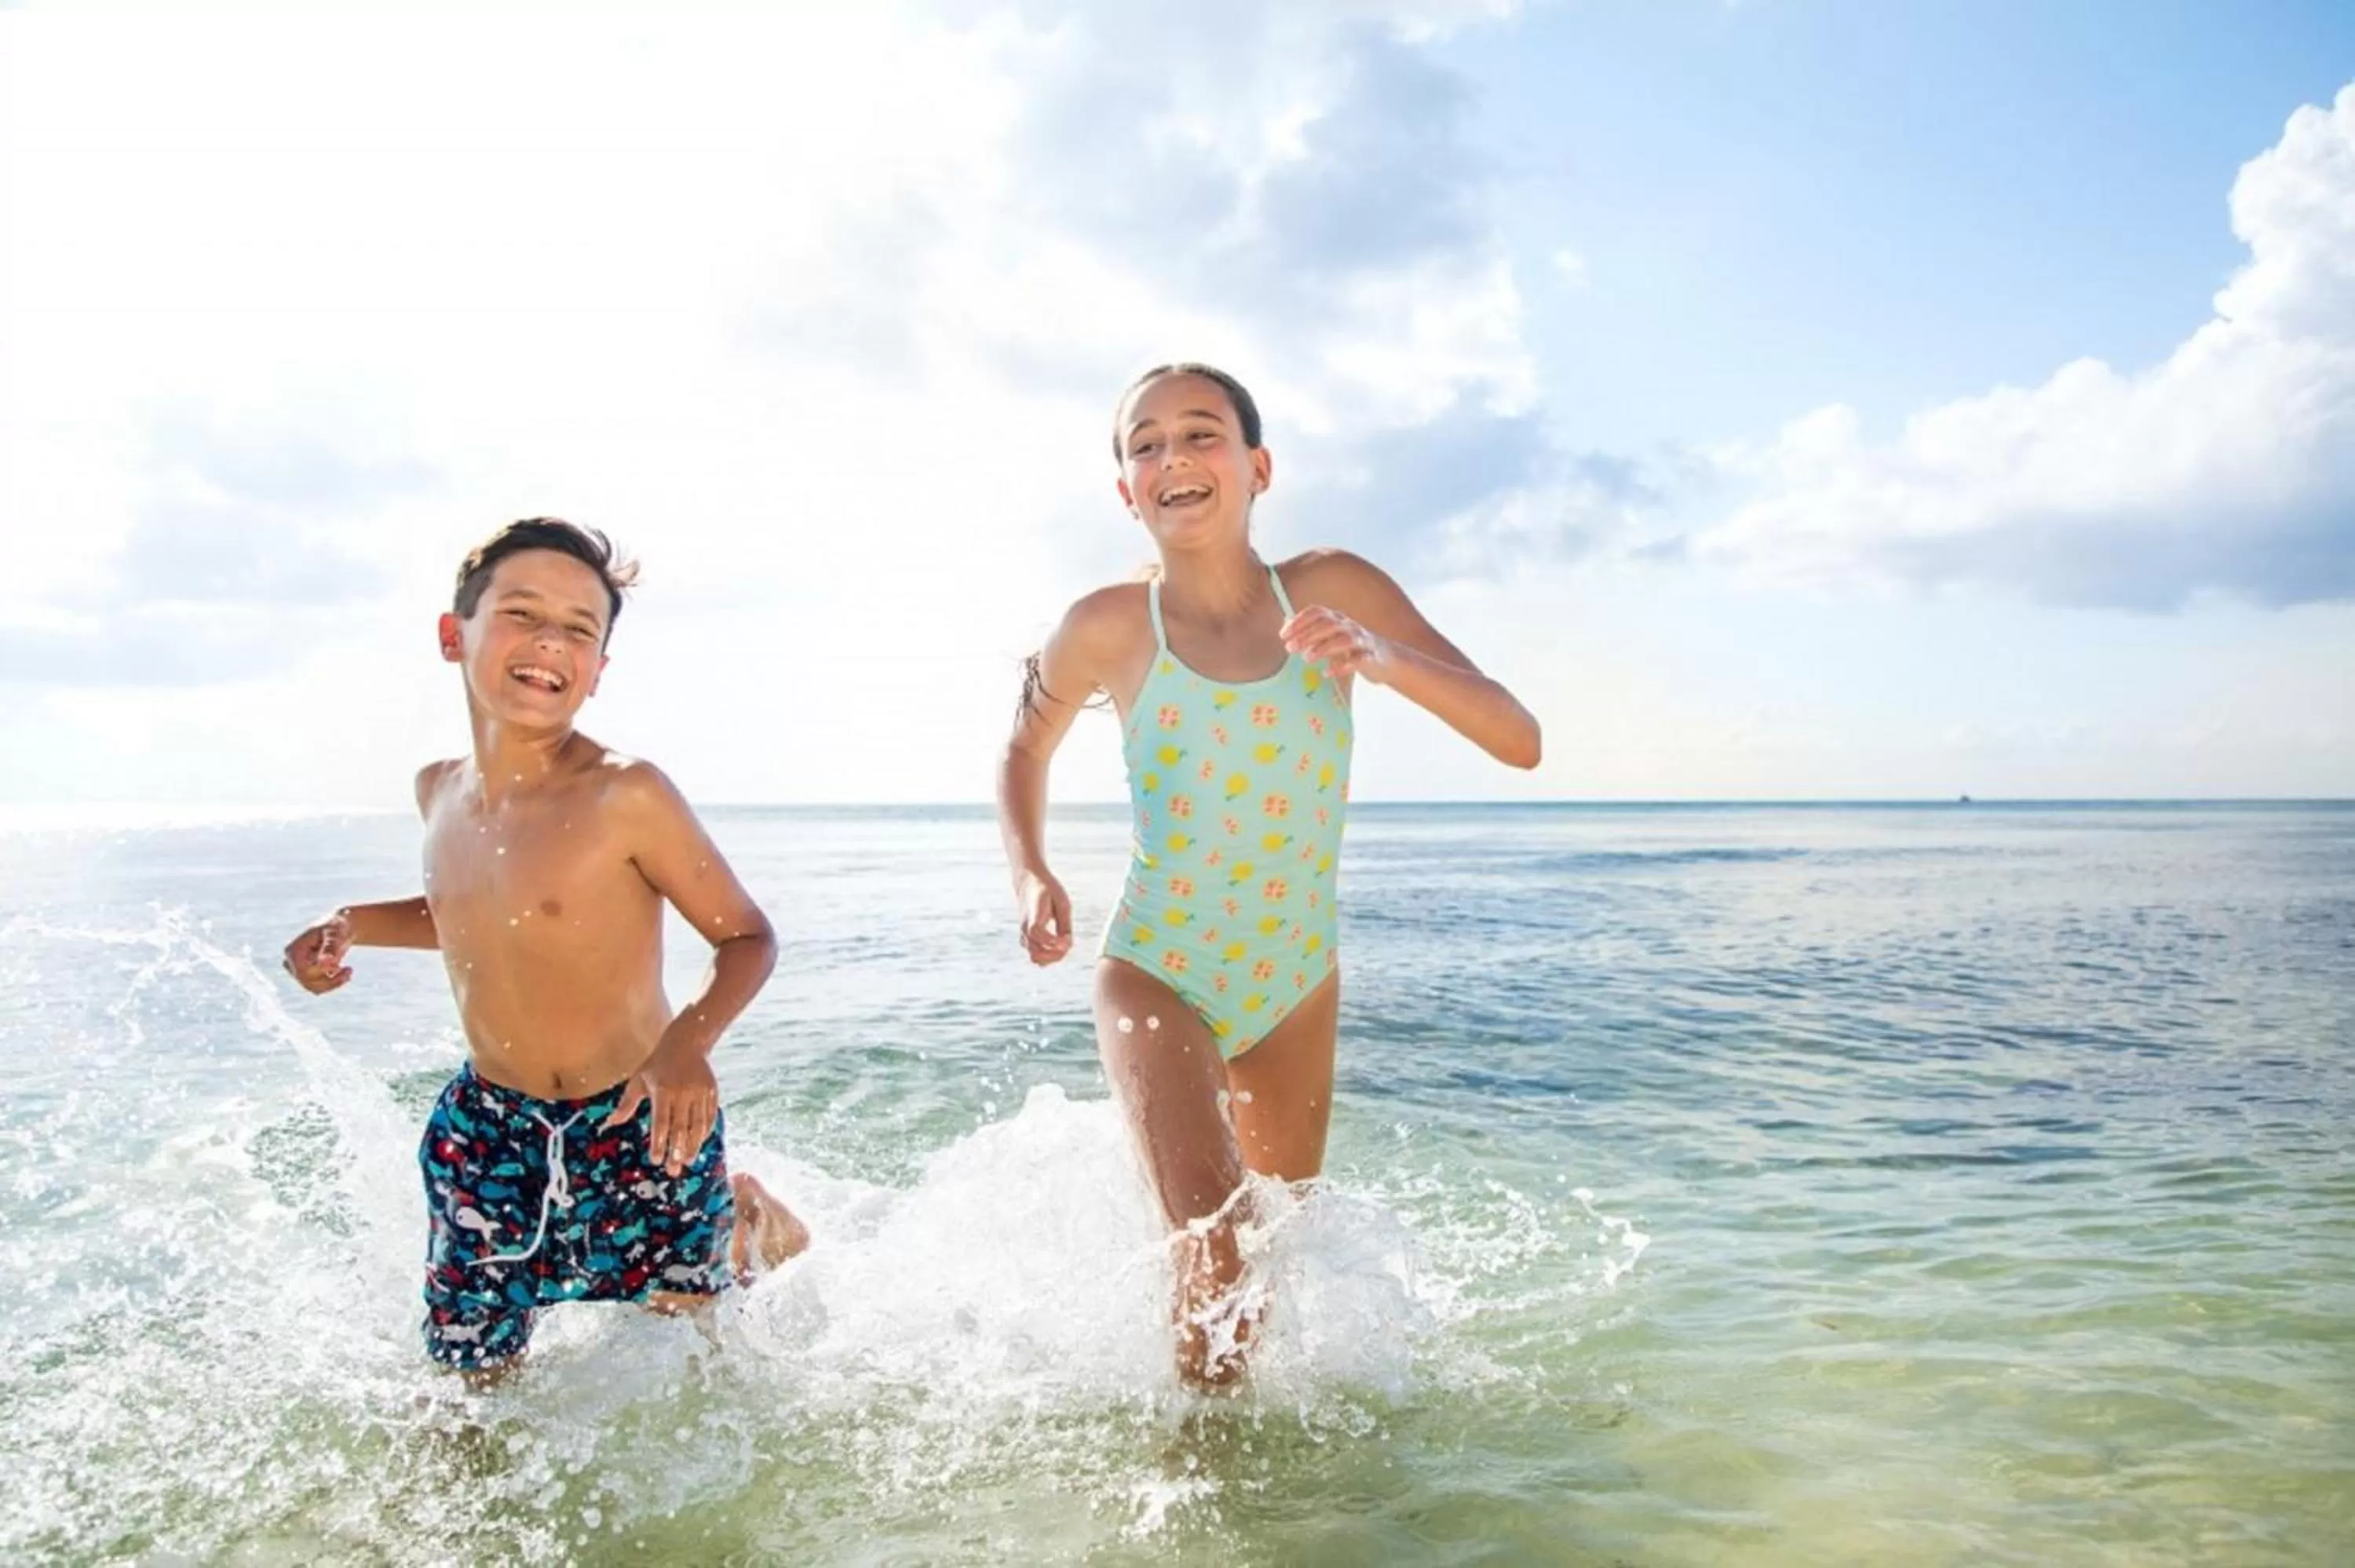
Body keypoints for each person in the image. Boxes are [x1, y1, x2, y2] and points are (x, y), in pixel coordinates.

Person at [997, 365, 1541, 1385]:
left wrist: (1382, 654)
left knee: (1268, 1265)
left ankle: (1256, 1473)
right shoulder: (1108, 626)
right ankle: (1201, 1491)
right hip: (1156, 965)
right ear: (1127, 488)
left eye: (1200, 434)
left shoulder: (1335, 590)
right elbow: (1022, 748)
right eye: (1145, 444)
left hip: (1296, 982)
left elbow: (1520, 738)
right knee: (1214, 1245)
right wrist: (1031, 871)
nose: (1174, 458)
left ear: (1256, 466)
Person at [282, 518, 807, 1379]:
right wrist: (353, 924)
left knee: (696, 1347)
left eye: (578, 629)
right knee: (469, 1375)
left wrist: (686, 1048)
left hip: (638, 1116)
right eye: (522, 614)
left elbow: (747, 936)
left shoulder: (625, 794)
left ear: (597, 671)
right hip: (487, 1131)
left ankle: (748, 1221)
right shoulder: (438, 792)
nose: (548, 643)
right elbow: (475, 912)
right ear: (456, 636)